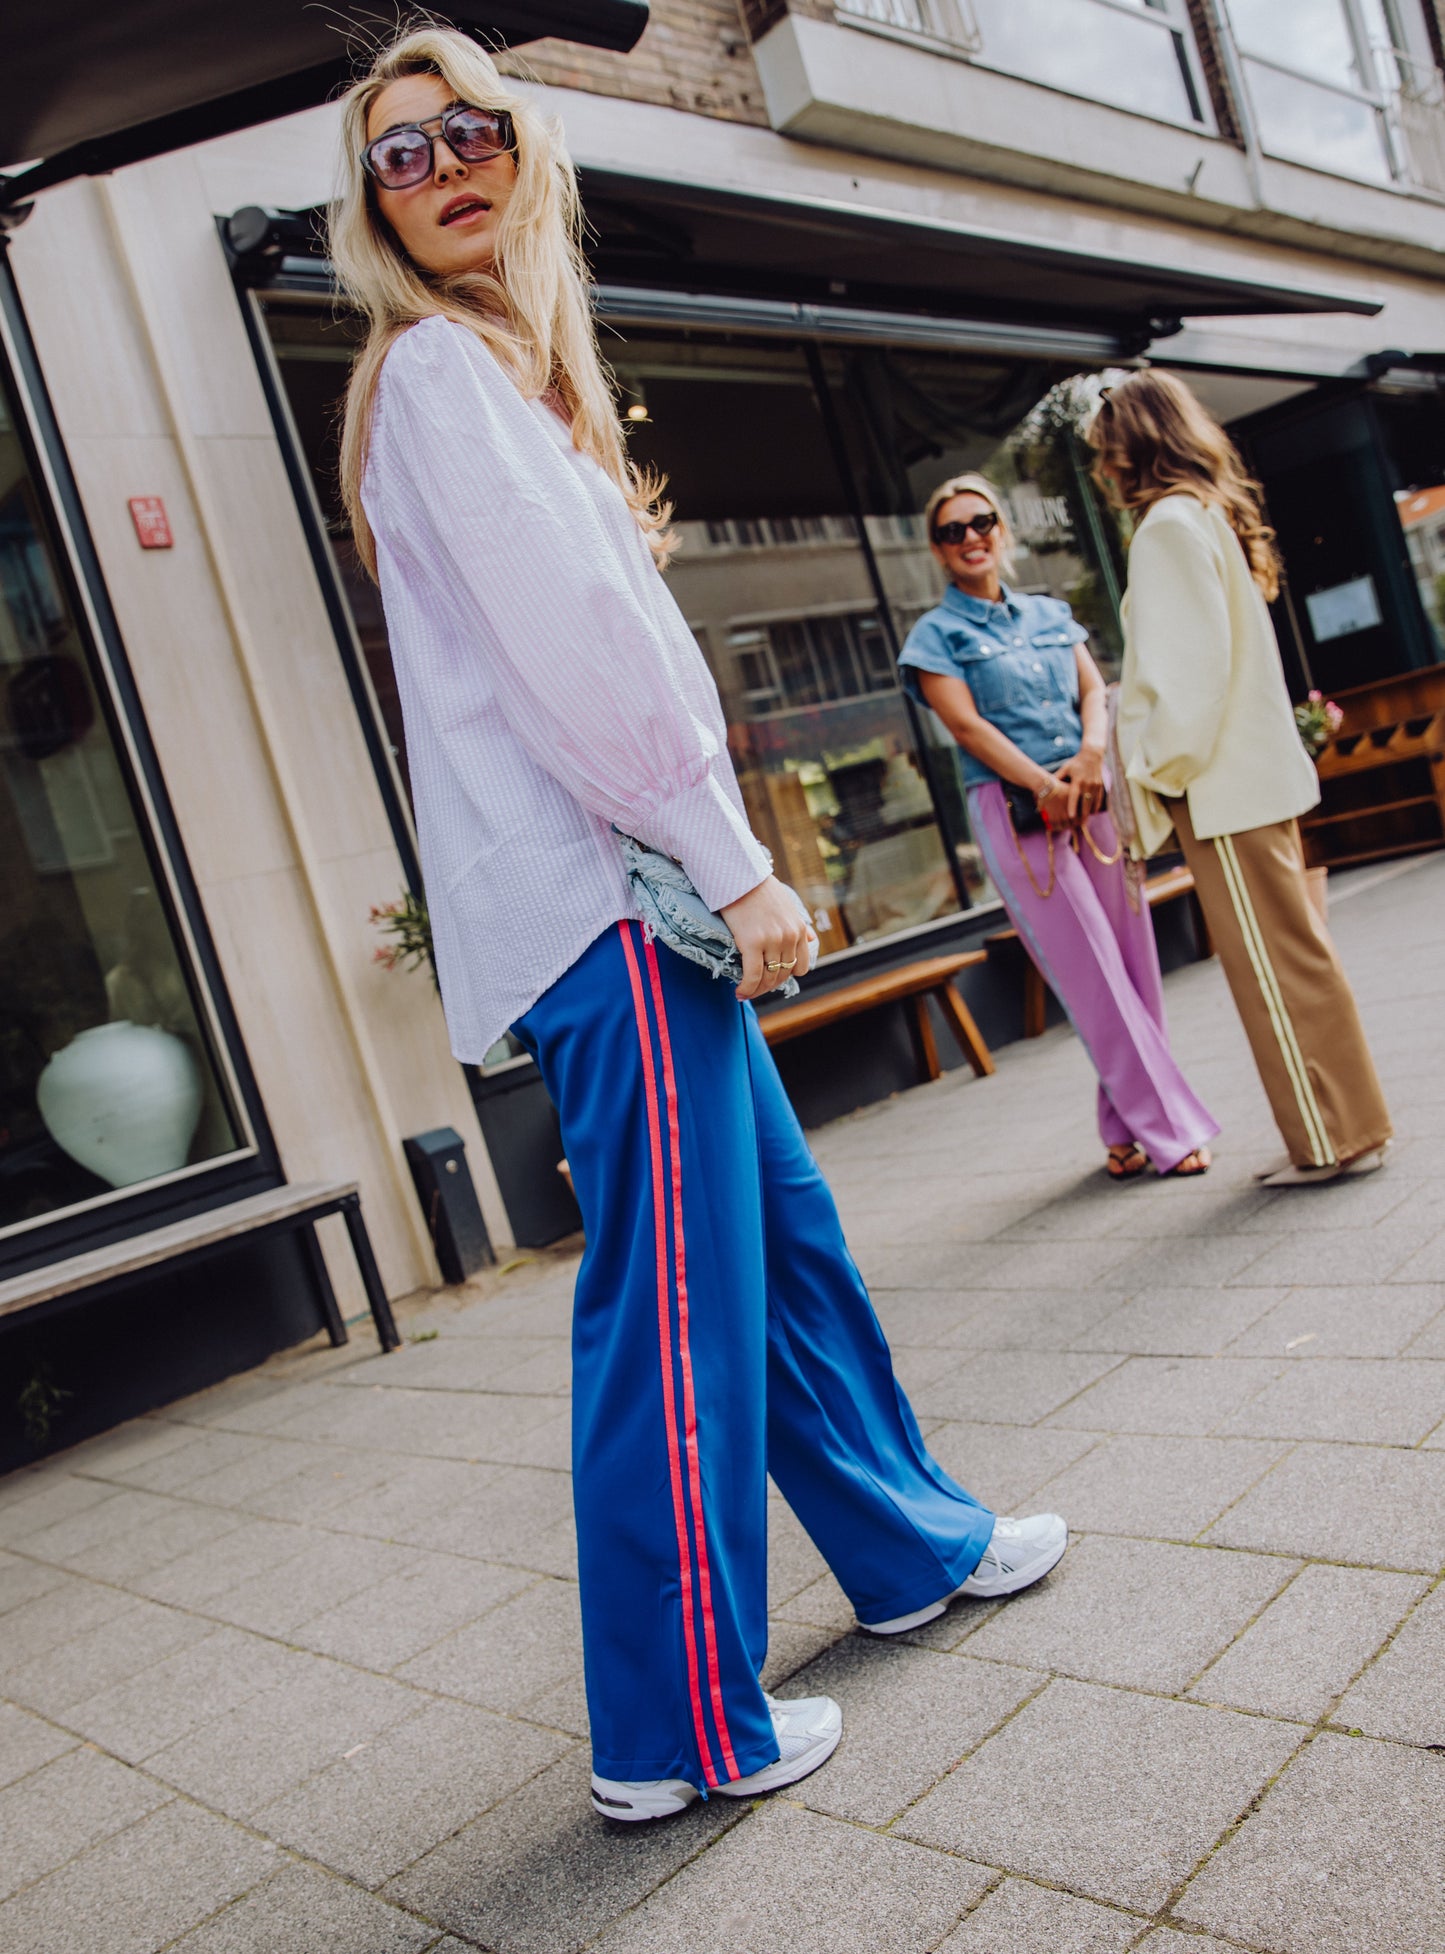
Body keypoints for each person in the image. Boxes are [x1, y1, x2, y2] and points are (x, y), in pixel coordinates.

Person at [330, 29, 1067, 1823]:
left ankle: (909, 1542)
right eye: (401, 153)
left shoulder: (501, 372)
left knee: (784, 1255)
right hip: (614, 905)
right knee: (673, 1315)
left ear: (528, 147)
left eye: (473, 129)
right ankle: (673, 1725)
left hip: (620, 894)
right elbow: (582, 660)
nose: (445, 167)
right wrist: (731, 860)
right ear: (371, 206)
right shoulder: (435, 372)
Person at [1088, 371, 1391, 1186]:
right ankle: (1350, 1124)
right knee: (1298, 958)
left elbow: (1187, 678)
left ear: (1130, 448)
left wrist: (1158, 774)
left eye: (1103, 451)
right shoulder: (1201, 515)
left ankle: (1330, 1140)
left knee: (1271, 971)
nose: (1099, 469)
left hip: (1218, 793)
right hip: (1246, 784)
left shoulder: (1165, 528)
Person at [900, 474, 1217, 1181]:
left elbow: (1090, 692)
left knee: (1132, 967)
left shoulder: (1050, 614)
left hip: (1090, 794)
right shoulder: (935, 637)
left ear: (1000, 530)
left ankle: (1123, 1130)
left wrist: (1090, 757)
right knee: (1092, 976)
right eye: (951, 531)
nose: (970, 538)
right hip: (1019, 813)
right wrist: (1045, 785)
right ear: (937, 550)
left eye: (980, 522)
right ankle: (1167, 1131)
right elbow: (963, 725)